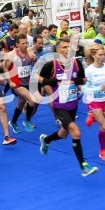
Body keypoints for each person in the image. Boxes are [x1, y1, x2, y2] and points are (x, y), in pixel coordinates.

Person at [37, 38, 98, 177]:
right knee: (76, 132)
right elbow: (37, 77)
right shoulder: (51, 64)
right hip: (59, 106)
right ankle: (83, 166)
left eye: (69, 47)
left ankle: (46, 140)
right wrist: (48, 81)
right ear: (58, 50)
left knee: (63, 134)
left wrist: (78, 82)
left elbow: (83, 79)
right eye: (64, 47)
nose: (67, 50)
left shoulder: (76, 63)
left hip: (73, 105)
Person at [83, 44, 105, 161]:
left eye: (104, 55)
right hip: (94, 101)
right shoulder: (89, 71)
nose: (103, 57)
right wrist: (97, 89)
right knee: (103, 126)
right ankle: (103, 150)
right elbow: (85, 89)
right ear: (93, 55)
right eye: (100, 55)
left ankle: (93, 117)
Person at [4, 34, 39, 133]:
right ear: (17, 45)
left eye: (26, 43)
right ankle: (27, 120)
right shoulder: (12, 55)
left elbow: (31, 64)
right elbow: (5, 68)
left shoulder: (29, 51)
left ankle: (13, 122)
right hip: (16, 83)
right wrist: (10, 82)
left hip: (26, 81)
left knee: (20, 104)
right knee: (32, 101)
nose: (25, 45)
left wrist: (34, 60)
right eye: (22, 43)